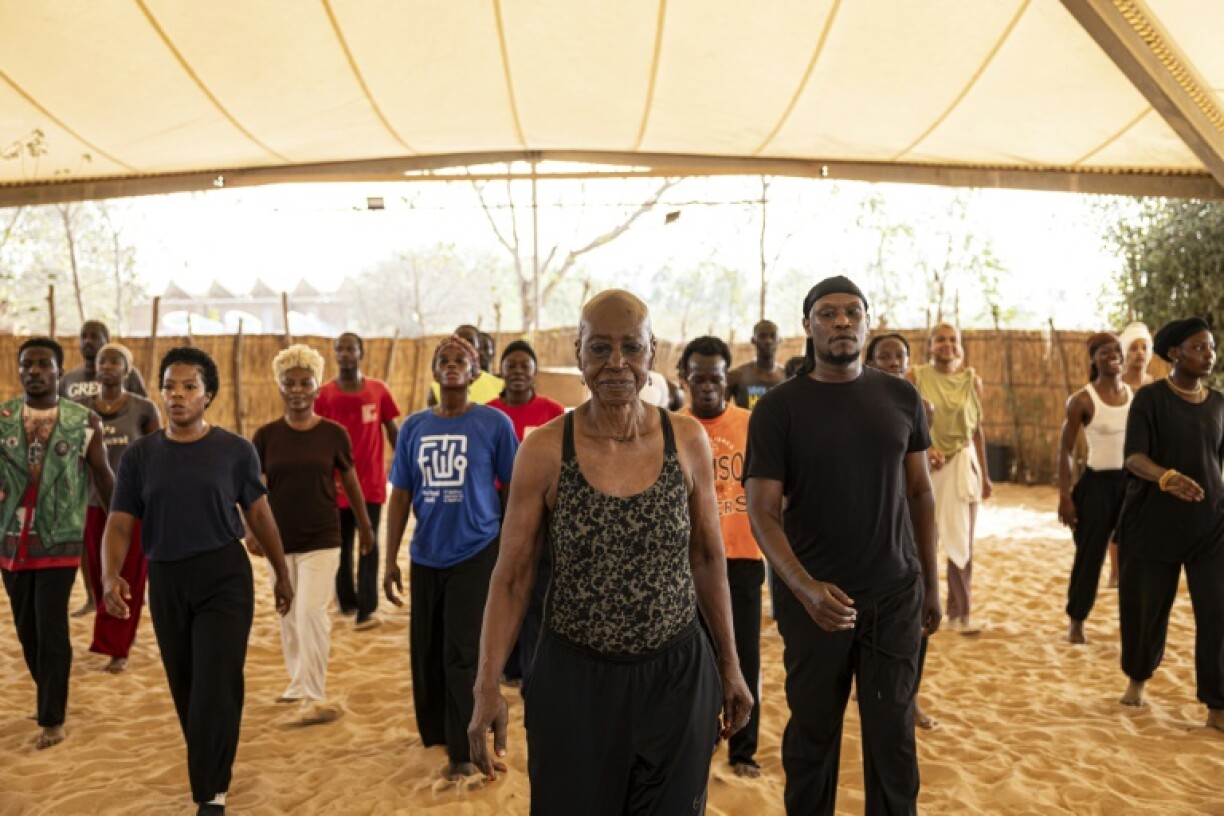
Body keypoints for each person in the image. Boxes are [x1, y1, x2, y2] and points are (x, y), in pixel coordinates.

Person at [468, 290, 752, 814]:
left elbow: (709, 560)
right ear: (578, 354)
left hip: (677, 677)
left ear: (652, 353)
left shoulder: (686, 439)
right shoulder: (545, 449)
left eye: (630, 347)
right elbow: (512, 578)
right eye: (599, 348)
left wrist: (732, 666)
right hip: (575, 683)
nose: (615, 363)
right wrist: (487, 686)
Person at [745, 277, 940, 815]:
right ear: (808, 326)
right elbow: (761, 512)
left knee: (893, 735)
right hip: (814, 603)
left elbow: (921, 492)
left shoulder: (901, 398)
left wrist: (931, 584)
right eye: (827, 314)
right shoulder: (779, 409)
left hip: (895, 593)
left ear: (868, 322)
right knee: (813, 734)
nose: (841, 323)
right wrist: (805, 589)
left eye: (853, 312)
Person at [102, 347, 294, 815]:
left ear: (207, 395)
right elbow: (121, 521)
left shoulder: (234, 451)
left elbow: (259, 513)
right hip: (167, 579)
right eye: (170, 386)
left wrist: (281, 571)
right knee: (187, 687)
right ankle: (211, 764)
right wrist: (110, 575)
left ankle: (211, 792)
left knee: (215, 682)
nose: (177, 395)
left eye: (189, 387)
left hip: (224, 577)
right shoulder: (140, 457)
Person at [384, 335, 519, 781]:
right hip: (426, 554)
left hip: (477, 550)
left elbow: (514, 490)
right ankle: (437, 735)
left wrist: (514, 551)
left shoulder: (494, 424)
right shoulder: (414, 428)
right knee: (427, 650)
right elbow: (401, 495)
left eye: (461, 359)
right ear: (434, 371)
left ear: (475, 372)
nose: (452, 365)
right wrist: (390, 559)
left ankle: (463, 750)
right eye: (444, 359)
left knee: (462, 650)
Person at [252, 344, 375, 724]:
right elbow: (252, 489)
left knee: (309, 612)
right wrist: (249, 530)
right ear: (280, 387)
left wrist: (367, 528)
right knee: (287, 614)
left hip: (323, 537)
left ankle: (314, 692)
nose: (298, 389)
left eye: (306, 382)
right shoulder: (266, 436)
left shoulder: (334, 435)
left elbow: (351, 483)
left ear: (317, 387)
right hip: (278, 539)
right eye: (290, 383)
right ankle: (296, 682)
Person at [1, 337, 114, 749]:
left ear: (59, 371)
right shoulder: (3, 417)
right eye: (26, 364)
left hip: (61, 540)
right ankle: (47, 691)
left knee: (51, 627)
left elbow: (102, 475)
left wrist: (121, 522)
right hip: (10, 543)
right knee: (26, 628)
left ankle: (53, 718)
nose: (34, 371)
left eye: (43, 364)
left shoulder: (84, 421)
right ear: (18, 370)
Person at [1115, 318, 1224, 733]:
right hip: (1153, 524)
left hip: (1211, 526)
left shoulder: (1219, 404)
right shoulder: (1150, 400)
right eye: (1199, 347)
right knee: (1147, 608)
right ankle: (1138, 678)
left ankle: (1217, 705)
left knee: (1217, 613)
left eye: (1211, 347)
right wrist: (1167, 478)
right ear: (1175, 352)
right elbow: (1133, 458)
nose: (1208, 354)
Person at [680, 334, 765, 777]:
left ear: (727, 382)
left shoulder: (752, 425)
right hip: (687, 563)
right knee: (693, 657)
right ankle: (695, 739)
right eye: (699, 379)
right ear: (684, 380)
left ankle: (743, 750)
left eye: (716, 379)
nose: (708, 387)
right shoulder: (671, 427)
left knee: (743, 657)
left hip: (742, 559)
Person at [865, 331, 939, 731]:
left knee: (917, 621)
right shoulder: (858, 405)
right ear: (871, 362)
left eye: (900, 356)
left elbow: (919, 473)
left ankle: (910, 699)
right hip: (876, 528)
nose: (893, 362)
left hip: (909, 524)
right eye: (885, 356)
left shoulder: (919, 406)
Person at [486, 339, 566, 686]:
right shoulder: (487, 413)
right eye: (511, 366)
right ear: (500, 371)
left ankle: (532, 663)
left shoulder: (553, 412)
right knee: (504, 583)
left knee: (537, 588)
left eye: (524, 365)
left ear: (535, 371)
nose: (518, 372)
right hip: (496, 511)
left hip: (544, 513)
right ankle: (508, 666)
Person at [910, 322, 992, 634]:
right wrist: (926, 449)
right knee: (924, 541)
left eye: (953, 340)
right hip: (928, 469)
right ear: (930, 345)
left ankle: (961, 613)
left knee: (963, 543)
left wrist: (984, 476)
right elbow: (910, 424)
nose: (947, 345)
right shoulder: (915, 377)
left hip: (963, 466)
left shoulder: (972, 381)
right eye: (940, 339)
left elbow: (977, 430)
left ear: (960, 346)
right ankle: (921, 608)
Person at [315, 332, 399, 631]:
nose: (346, 353)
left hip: (372, 486)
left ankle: (367, 608)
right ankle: (347, 601)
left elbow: (392, 429)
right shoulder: (324, 395)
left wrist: (402, 463)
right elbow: (316, 437)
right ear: (334, 354)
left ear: (361, 352)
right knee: (341, 546)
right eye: (341, 349)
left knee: (370, 542)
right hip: (334, 487)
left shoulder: (378, 390)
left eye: (351, 348)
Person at [84, 342, 161, 673]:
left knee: (128, 574)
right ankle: (108, 637)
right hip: (92, 503)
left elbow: (159, 458)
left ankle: (118, 648)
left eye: (116, 361)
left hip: (132, 507)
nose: (108, 365)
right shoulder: (80, 409)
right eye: (103, 360)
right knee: (102, 572)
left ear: (127, 370)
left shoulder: (144, 409)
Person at [61, 320, 145, 617]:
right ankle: (91, 594)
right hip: (83, 477)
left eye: (95, 337)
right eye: (83, 336)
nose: (88, 341)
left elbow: (142, 412)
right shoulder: (69, 381)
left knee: (128, 532)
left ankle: (131, 587)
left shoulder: (129, 376)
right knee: (88, 537)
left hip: (121, 469)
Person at [1056, 333, 1131, 645]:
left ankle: (1135, 626)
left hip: (1130, 485)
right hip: (1096, 486)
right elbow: (1065, 451)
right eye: (1104, 352)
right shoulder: (1082, 400)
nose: (1112, 355)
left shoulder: (1135, 397)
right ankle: (1077, 620)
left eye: (1116, 350)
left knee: (1135, 559)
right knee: (1090, 555)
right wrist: (1065, 496)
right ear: (1094, 359)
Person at [1111, 321, 1154, 587]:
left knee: (1144, 519)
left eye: (1144, 347)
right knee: (1118, 520)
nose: (1139, 353)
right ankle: (1115, 574)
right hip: (1117, 459)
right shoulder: (1116, 388)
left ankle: (1140, 572)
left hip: (1148, 460)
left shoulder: (1155, 388)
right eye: (1133, 348)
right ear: (1124, 354)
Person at [427, 324, 506, 406]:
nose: (463, 345)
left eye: (470, 341)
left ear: (479, 347)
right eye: (458, 340)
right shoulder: (436, 388)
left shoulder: (500, 385)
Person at [727, 319, 786, 409]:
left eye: (773, 336)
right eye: (762, 336)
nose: (768, 341)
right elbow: (721, 413)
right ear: (753, 340)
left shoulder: (788, 376)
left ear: (779, 340)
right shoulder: (737, 376)